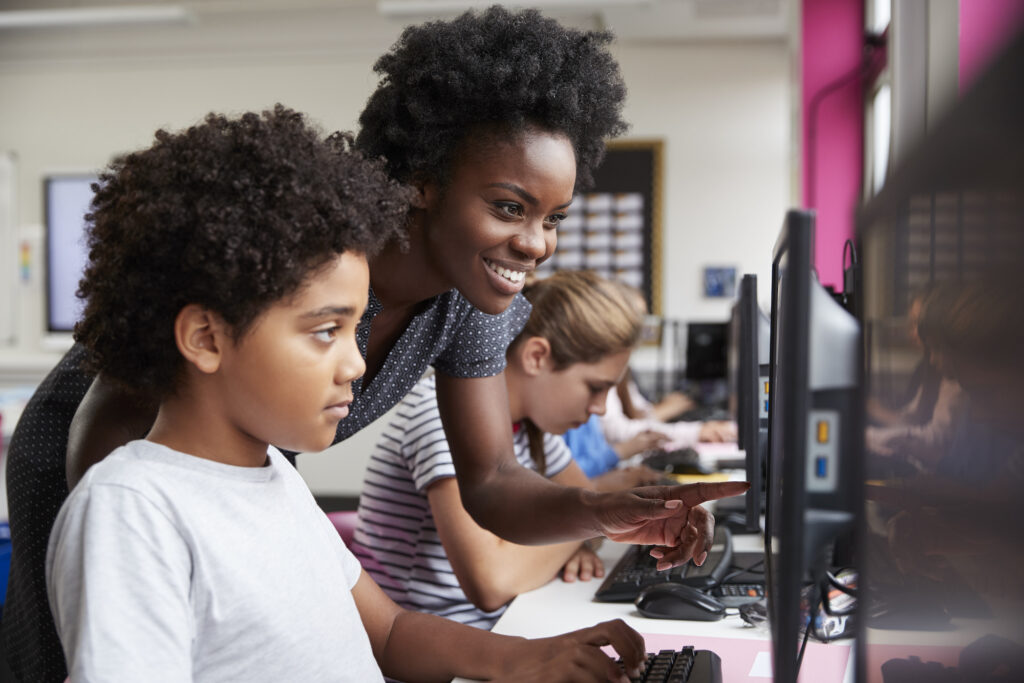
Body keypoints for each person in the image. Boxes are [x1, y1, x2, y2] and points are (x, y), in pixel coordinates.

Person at [2, 7, 745, 680]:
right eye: (509, 207)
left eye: (553, 217)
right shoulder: (309, 252)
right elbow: (117, 460)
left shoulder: (473, 295)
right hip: (100, 452)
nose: (536, 243)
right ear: (423, 180)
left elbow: (488, 481)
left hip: (248, 470)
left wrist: (602, 509)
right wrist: (138, 541)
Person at [44, 106, 647, 683]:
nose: (359, 361)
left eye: (357, 326)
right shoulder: (130, 509)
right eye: (327, 331)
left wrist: (525, 658)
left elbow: (388, 635)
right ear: (206, 337)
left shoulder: (274, 482)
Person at [354, 270, 672, 629]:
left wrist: (578, 535)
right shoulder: (440, 413)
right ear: (537, 356)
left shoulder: (530, 427)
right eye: (595, 387)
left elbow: (582, 504)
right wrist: (583, 530)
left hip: (496, 630)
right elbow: (493, 583)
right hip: (432, 654)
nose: (599, 408)